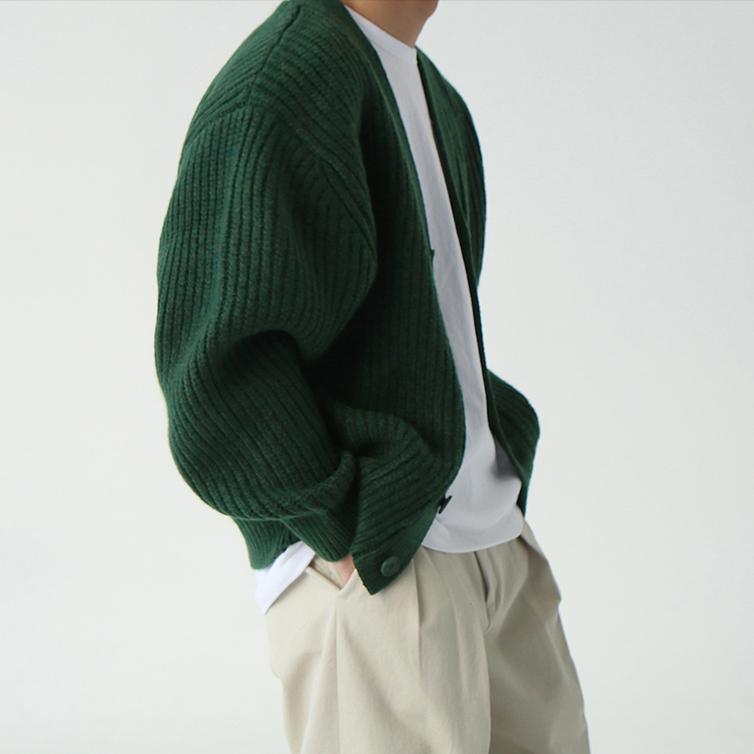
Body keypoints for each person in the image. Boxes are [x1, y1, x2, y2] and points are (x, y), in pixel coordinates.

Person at [153, 0, 592, 751]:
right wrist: (341, 526)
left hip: (490, 542)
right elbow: (215, 367)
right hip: (384, 570)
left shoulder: (429, 89)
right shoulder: (282, 84)